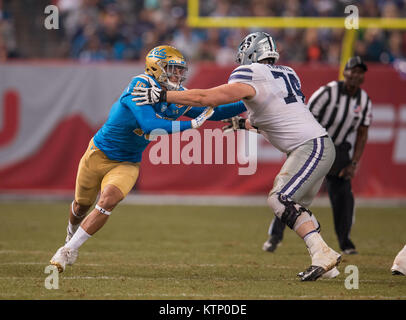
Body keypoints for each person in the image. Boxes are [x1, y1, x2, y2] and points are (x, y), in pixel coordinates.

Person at [132, 32, 342, 281]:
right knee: (296, 208)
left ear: (250, 53)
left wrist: (164, 95)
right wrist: (243, 124)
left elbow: (206, 98)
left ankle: (324, 254)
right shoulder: (287, 74)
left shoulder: (250, 72)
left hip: (310, 147)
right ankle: (326, 262)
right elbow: (277, 115)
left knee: (280, 199)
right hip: (316, 145)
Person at [49, 45, 247, 273]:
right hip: (98, 154)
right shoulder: (140, 85)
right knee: (81, 205)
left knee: (108, 200)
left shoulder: (175, 94)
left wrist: (251, 98)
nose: (178, 75)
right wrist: (191, 124)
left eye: (180, 70)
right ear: (156, 67)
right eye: (172, 69)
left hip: (127, 162)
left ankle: (67, 250)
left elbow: (218, 111)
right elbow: (150, 126)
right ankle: (69, 234)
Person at [264, 56, 372, 257]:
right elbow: (303, 116)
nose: (356, 75)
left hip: (340, 152)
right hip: (317, 144)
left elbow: (362, 133)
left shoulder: (364, 100)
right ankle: (275, 236)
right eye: (353, 71)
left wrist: (354, 162)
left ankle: (345, 241)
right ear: (345, 72)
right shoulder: (327, 93)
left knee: (343, 199)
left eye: (360, 72)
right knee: (292, 197)